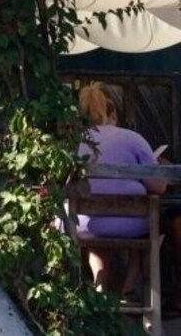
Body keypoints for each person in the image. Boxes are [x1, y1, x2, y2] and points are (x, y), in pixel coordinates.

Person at [76, 83, 165, 297]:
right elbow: (158, 187)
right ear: (112, 112)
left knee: (96, 236)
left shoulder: (76, 142)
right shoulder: (133, 139)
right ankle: (129, 286)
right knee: (150, 223)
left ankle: (100, 289)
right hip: (131, 224)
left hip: (85, 223)